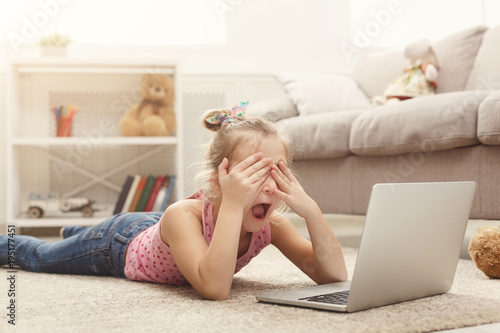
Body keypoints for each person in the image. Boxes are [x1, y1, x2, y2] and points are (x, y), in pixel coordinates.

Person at [0, 102, 347, 300]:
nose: (268, 187)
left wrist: (311, 211)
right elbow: (214, 288)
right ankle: (75, 236)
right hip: (118, 244)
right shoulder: (182, 214)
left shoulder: (273, 225)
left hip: (162, 233)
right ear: (218, 181)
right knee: (39, 256)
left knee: (80, 237)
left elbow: (332, 275)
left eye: (275, 174)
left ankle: (75, 231)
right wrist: (232, 205)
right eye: (252, 175)